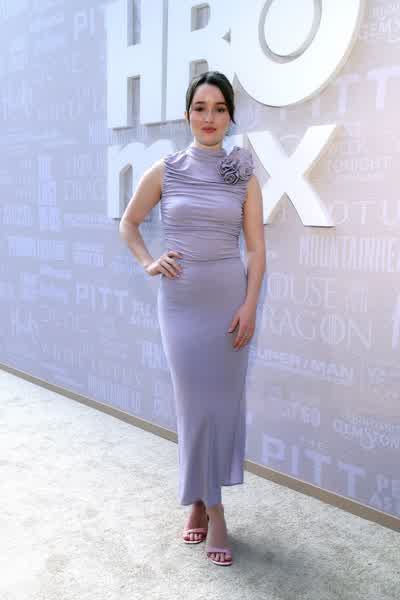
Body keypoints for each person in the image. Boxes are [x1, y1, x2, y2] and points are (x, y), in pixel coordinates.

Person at [119, 71, 265, 567]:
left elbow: (256, 249)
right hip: (180, 304)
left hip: (228, 301)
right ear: (187, 115)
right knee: (193, 407)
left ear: (230, 117)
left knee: (220, 407)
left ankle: (201, 501)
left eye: (219, 108)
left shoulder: (243, 174)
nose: (209, 117)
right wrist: (148, 262)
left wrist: (249, 304)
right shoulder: (166, 170)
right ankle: (213, 506)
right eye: (200, 108)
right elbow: (129, 223)